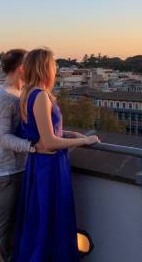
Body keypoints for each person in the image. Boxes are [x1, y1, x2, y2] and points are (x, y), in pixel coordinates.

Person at [14, 48, 99, 262]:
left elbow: (46, 132)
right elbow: (50, 142)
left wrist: (71, 133)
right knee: (50, 218)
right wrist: (84, 140)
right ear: (45, 68)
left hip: (40, 163)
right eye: (54, 65)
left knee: (41, 217)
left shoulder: (28, 94)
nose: (56, 69)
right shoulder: (41, 96)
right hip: (49, 166)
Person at [0, 49, 36, 262]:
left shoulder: (20, 93)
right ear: (22, 68)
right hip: (3, 174)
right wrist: (33, 147)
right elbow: (1, 137)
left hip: (15, 171)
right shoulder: (3, 98)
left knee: (10, 229)